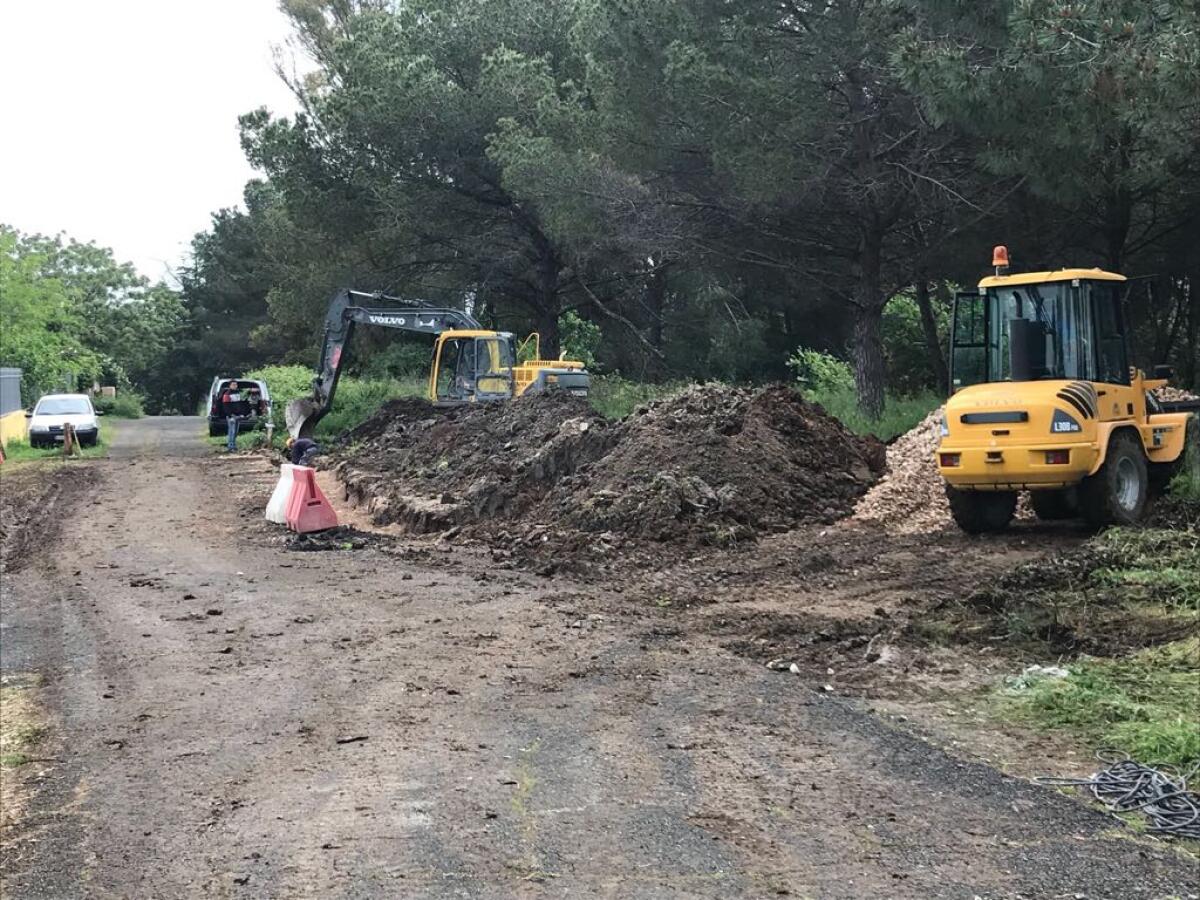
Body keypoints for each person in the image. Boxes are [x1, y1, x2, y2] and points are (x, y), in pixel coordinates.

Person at [219, 381, 244, 452]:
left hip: (237, 416)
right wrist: (230, 415)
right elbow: (226, 406)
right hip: (231, 416)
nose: (235, 386)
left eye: (236, 384)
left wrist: (241, 414)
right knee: (231, 431)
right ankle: (230, 446)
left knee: (236, 432)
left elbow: (239, 405)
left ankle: (234, 445)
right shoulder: (227, 394)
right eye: (233, 384)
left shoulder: (238, 393)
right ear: (230, 386)